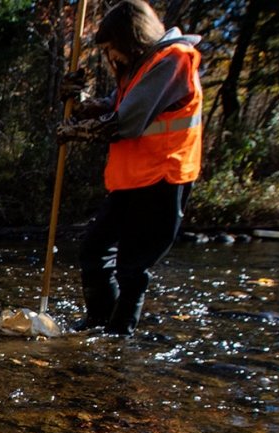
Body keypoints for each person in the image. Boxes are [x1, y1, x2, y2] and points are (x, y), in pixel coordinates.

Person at [56, 0, 202, 335]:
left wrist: (75, 132)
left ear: (130, 38)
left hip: (164, 178)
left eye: (111, 49)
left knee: (132, 267)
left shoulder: (173, 60)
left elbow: (126, 121)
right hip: (132, 180)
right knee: (94, 250)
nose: (110, 58)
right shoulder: (140, 69)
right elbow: (110, 108)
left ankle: (117, 336)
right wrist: (76, 100)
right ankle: (99, 322)